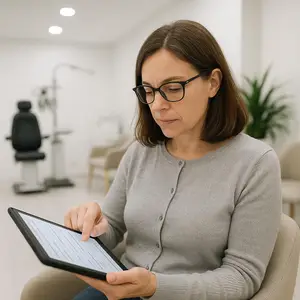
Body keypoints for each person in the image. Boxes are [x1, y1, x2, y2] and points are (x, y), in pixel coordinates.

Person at [65, 20, 282, 300]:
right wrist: (91, 226)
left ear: (213, 83)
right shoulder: (139, 152)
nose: (157, 104)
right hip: (119, 290)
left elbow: (241, 277)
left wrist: (155, 286)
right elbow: (113, 228)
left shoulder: (255, 164)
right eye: (149, 90)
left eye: (173, 87)